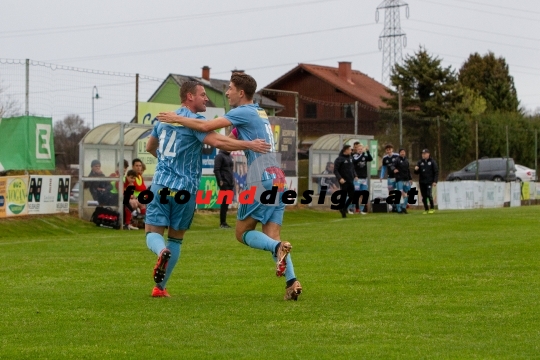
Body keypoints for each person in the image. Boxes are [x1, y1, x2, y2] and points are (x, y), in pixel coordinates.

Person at [157, 73, 302, 301]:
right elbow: (224, 139)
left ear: (241, 93)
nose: (227, 93)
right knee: (273, 236)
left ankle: (277, 250)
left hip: (259, 175)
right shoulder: (259, 112)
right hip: (277, 175)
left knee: (242, 233)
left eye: (230, 88)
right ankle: (292, 282)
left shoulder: (242, 111)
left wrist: (177, 118)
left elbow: (206, 126)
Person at [144, 80, 271, 298]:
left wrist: (165, 163)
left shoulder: (164, 120)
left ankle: (160, 251)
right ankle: (160, 287)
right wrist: (249, 145)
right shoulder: (195, 122)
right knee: (175, 238)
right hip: (186, 190)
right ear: (189, 97)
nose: (206, 98)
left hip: (160, 185)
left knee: (152, 232)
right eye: (202, 94)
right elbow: (220, 143)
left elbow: (149, 147)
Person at [334, 144, 358, 218]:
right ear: (346, 150)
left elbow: (352, 168)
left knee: (352, 196)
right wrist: (340, 178)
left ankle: (343, 208)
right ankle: (343, 210)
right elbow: (335, 170)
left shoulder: (351, 158)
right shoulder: (339, 159)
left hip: (350, 180)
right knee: (343, 196)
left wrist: (355, 175)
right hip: (343, 181)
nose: (351, 151)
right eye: (350, 149)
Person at [214, 149, 234, 229]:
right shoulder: (219, 156)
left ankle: (224, 222)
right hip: (224, 182)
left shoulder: (229, 156)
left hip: (230, 182)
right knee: (224, 202)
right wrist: (220, 180)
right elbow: (216, 169)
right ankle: (222, 223)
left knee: (227, 203)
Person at [414, 148, 439, 214]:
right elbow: (416, 173)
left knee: (429, 194)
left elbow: (436, 172)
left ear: (428, 154)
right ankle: (426, 209)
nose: (423, 155)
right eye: (422, 154)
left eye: (425, 154)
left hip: (429, 181)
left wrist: (435, 181)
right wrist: (416, 169)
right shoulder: (420, 162)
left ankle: (432, 208)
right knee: (424, 196)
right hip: (422, 182)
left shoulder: (432, 162)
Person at [352, 142, 373, 214]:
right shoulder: (354, 156)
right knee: (356, 194)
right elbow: (356, 160)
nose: (360, 150)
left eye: (361, 149)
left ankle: (361, 209)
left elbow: (370, 158)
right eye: (359, 149)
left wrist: (367, 151)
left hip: (364, 178)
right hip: (357, 178)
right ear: (356, 150)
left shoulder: (364, 156)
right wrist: (363, 153)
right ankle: (355, 208)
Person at [380, 144, 399, 212]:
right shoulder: (385, 158)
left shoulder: (397, 156)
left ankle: (398, 206)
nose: (388, 151)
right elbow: (384, 168)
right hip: (390, 177)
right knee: (391, 192)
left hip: (397, 177)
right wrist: (381, 176)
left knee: (398, 191)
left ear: (392, 149)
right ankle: (393, 206)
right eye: (387, 150)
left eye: (389, 149)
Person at [392, 148, 412, 214]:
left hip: (406, 179)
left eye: (403, 152)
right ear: (399, 153)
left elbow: (408, 170)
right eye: (401, 152)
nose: (402, 153)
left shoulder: (406, 160)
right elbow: (392, 166)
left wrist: (410, 178)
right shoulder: (397, 160)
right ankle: (398, 209)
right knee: (399, 193)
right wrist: (394, 169)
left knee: (406, 193)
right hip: (399, 179)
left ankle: (404, 207)